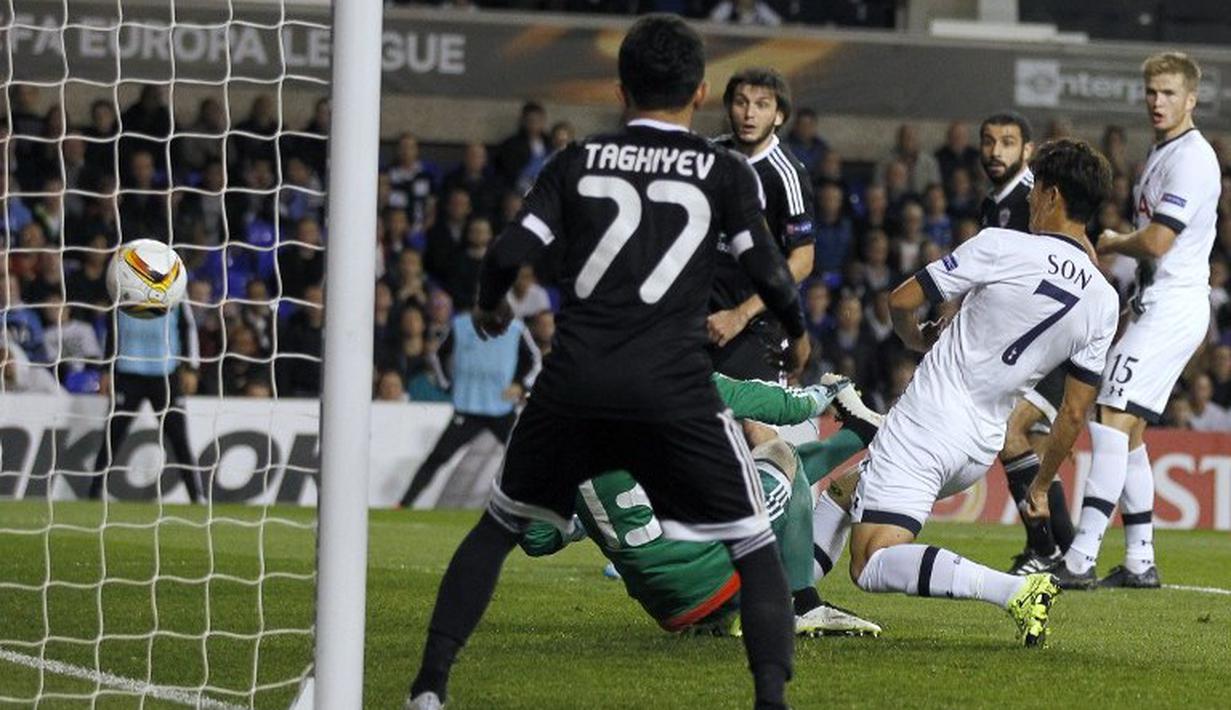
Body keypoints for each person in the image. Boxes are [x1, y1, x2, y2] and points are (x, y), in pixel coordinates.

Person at [406, 15, 809, 710]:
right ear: (702, 91)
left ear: (621, 90)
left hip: (575, 382)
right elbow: (770, 270)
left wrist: (489, 309)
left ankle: (428, 687)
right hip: (674, 382)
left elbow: (506, 253)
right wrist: (796, 331)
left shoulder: (577, 160)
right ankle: (768, 700)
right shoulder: (721, 170)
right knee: (750, 542)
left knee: (498, 527)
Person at [809, 139, 1119, 646]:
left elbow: (902, 299)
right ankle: (793, 603)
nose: (1029, 201)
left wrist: (916, 337)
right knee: (846, 492)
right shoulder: (1104, 300)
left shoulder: (1003, 243)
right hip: (979, 445)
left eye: (1035, 190)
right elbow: (1075, 411)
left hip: (927, 423)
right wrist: (1039, 486)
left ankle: (1014, 591)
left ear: (1052, 194)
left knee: (871, 562)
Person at [520, 373, 881, 637]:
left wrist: (589, 519)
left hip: (668, 607)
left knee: (757, 472)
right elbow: (785, 406)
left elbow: (536, 539)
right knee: (779, 453)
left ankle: (861, 433)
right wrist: (830, 389)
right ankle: (805, 605)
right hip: (714, 574)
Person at [1056, 52, 1222, 590]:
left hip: (1175, 306)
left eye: (1169, 93)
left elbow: (1156, 240)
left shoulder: (1191, 159)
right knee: (1127, 432)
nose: (1157, 101)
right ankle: (1139, 559)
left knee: (1110, 417)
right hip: (1159, 303)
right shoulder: (1162, 152)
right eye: (1151, 92)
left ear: (1191, 99)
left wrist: (1110, 241)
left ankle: (1079, 559)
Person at [978, 112, 1079, 575]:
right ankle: (1066, 548)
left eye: (1007, 142)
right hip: (1026, 344)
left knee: (1008, 434)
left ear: (1027, 150)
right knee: (1029, 449)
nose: (995, 150)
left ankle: (1046, 549)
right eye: (989, 141)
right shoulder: (994, 204)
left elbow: (1080, 248)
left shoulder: (1033, 199)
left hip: (1051, 344)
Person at [709, 68, 815, 382]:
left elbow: (802, 262)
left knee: (757, 427)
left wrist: (739, 315)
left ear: (779, 115)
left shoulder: (787, 173)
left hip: (756, 327)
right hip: (698, 320)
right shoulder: (710, 156)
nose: (749, 113)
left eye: (762, 104)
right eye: (741, 103)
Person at [398, 311, 539, 507]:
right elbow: (439, 355)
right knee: (438, 457)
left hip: (501, 408)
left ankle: (544, 506)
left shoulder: (516, 328)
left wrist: (520, 384)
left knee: (527, 457)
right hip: (468, 407)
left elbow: (534, 360)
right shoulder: (461, 325)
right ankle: (404, 504)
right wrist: (446, 384)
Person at [89, 298, 203, 503]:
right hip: (127, 370)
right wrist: (106, 368)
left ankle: (197, 496)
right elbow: (111, 324)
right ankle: (94, 493)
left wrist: (190, 367)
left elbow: (187, 327)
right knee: (112, 436)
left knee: (179, 438)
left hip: (165, 371)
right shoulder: (123, 278)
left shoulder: (174, 281)